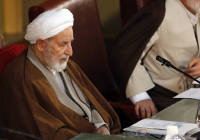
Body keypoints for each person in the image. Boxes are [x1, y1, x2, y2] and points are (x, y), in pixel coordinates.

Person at [0, 8, 120, 140]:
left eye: (70, 43)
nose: (70, 52)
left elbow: (93, 103)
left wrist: (101, 125)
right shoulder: (20, 78)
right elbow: (43, 130)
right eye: (63, 44)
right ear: (40, 45)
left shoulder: (66, 64)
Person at [110, 0, 200, 119]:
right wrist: (140, 96)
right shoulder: (157, 12)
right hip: (158, 93)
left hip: (191, 91)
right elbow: (122, 51)